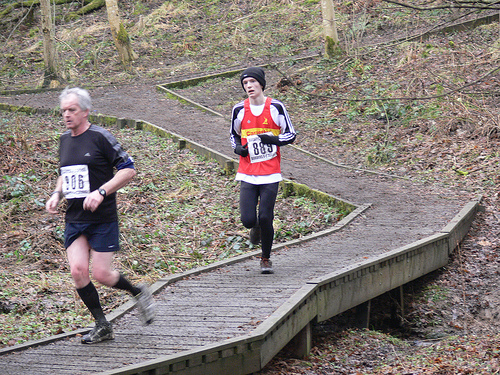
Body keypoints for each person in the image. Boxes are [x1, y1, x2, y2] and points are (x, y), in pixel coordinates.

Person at [45, 87, 155, 344]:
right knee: (77, 271)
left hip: (102, 217)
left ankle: (138, 293)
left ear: (85, 111)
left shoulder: (100, 137)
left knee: (102, 275)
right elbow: (65, 172)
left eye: (72, 110)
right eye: (63, 111)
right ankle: (102, 325)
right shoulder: (64, 140)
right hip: (74, 217)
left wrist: (101, 192)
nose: (66, 115)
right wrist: (56, 194)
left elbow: (128, 170)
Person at [230, 67, 296, 274]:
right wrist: (237, 148)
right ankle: (255, 228)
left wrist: (273, 140)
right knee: (248, 220)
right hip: (248, 172)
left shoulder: (276, 107)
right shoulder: (239, 109)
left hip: (270, 172)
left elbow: (291, 134)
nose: (249, 86)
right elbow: (233, 135)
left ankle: (265, 258)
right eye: (245, 83)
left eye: (252, 82)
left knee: (266, 217)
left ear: (261, 84)